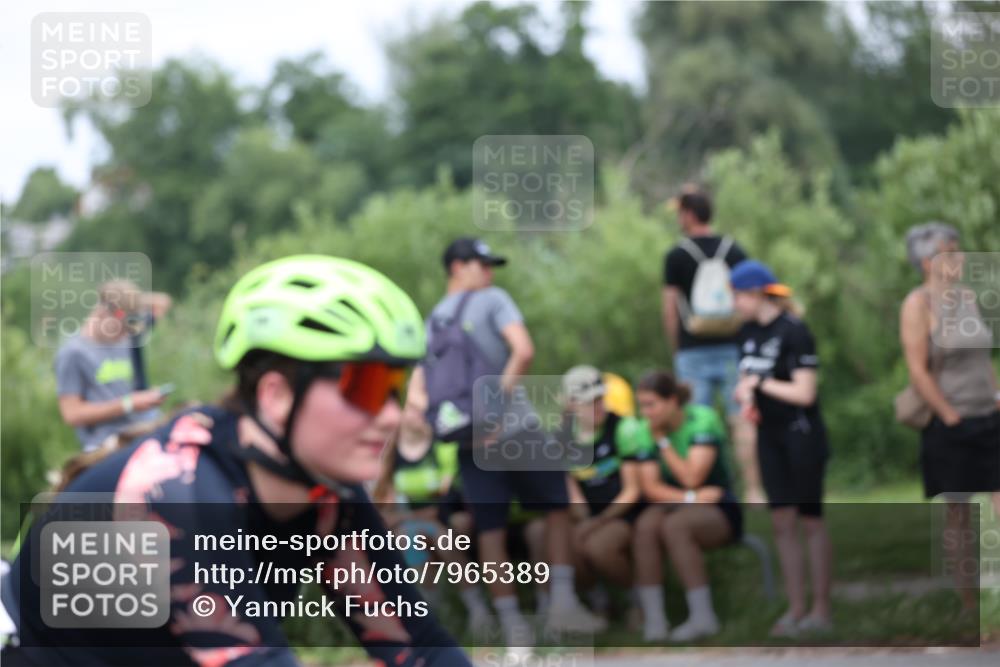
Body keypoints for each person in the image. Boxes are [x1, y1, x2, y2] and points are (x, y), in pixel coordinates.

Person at [2, 255, 471, 666]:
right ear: (277, 395)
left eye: (398, 388)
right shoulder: (176, 492)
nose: (392, 415)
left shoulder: (327, 496)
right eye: (366, 387)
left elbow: (419, 647)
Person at [408, 237, 605, 653]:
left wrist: (454, 426)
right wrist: (494, 411)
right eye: (482, 264)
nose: (489, 273)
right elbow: (524, 350)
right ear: (458, 266)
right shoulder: (494, 299)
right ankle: (561, 605)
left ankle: (515, 634)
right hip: (516, 428)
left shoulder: (431, 322)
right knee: (556, 509)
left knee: (490, 531)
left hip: (467, 440)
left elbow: (418, 396)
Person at [899, 223, 1000, 610]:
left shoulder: (969, 297)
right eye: (952, 253)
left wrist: (993, 394)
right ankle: (968, 603)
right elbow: (918, 370)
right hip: (951, 420)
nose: (960, 259)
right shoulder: (917, 305)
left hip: (986, 412)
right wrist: (948, 415)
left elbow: (982, 355)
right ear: (928, 262)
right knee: (958, 513)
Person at [730, 259, 832, 636]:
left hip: (801, 434)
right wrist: (746, 396)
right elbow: (746, 378)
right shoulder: (744, 333)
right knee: (781, 522)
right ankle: (795, 608)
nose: (733, 303)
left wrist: (760, 383)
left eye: (737, 294)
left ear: (757, 292)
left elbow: (805, 393)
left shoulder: (795, 332)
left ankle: (821, 610)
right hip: (768, 436)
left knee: (810, 521)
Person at [661, 189, 763, 505]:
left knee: (696, 424)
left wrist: (676, 348)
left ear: (689, 215)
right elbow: (753, 298)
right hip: (734, 345)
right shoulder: (734, 250)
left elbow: (669, 309)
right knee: (743, 421)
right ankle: (755, 491)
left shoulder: (677, 255)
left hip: (693, 349)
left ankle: (701, 492)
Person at [630, 371, 744, 642]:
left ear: (672, 401)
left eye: (651, 404)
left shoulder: (701, 419)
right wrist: (691, 498)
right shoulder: (645, 429)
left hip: (719, 507)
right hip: (683, 502)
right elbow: (650, 488)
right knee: (645, 526)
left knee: (676, 525)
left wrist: (664, 442)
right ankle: (655, 620)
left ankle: (703, 617)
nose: (646, 413)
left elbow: (692, 477)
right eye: (641, 406)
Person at [371, 388, 492, 633]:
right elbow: (382, 510)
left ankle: (477, 611)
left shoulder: (442, 448)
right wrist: (410, 517)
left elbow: (445, 503)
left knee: (437, 536)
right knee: (411, 537)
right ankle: (430, 612)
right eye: (415, 409)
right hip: (408, 527)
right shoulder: (389, 456)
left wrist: (411, 517)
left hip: (447, 521)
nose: (422, 415)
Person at [561, 366, 644, 622]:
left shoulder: (624, 427)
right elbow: (573, 495)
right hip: (592, 516)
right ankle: (600, 603)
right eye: (589, 402)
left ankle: (638, 599)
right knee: (565, 546)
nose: (598, 407)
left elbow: (632, 491)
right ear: (571, 405)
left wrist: (598, 521)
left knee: (599, 547)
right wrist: (584, 521)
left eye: (600, 399)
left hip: (625, 513)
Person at [54, 279, 172, 451]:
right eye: (123, 326)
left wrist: (129, 299)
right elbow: (71, 414)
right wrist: (128, 404)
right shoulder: (72, 353)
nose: (127, 332)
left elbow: (163, 302)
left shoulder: (125, 335)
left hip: (144, 428)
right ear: (103, 313)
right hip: (108, 444)